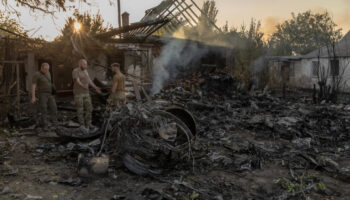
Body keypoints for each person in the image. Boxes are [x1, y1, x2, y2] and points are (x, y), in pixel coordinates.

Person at [72, 59, 102, 133]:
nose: (86, 66)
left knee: (89, 108)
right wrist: (83, 86)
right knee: (80, 109)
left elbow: (89, 81)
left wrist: (96, 87)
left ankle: (89, 124)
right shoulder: (76, 71)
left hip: (86, 93)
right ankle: (82, 125)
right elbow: (77, 81)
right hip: (79, 93)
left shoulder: (85, 71)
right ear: (80, 64)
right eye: (84, 64)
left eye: (86, 64)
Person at [31, 63, 57, 129]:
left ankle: (54, 123)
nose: (46, 70)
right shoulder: (37, 74)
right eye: (45, 69)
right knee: (44, 109)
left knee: (54, 107)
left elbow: (49, 82)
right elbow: (33, 85)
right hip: (42, 94)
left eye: (48, 69)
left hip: (50, 94)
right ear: (41, 68)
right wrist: (33, 97)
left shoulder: (48, 73)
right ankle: (45, 124)